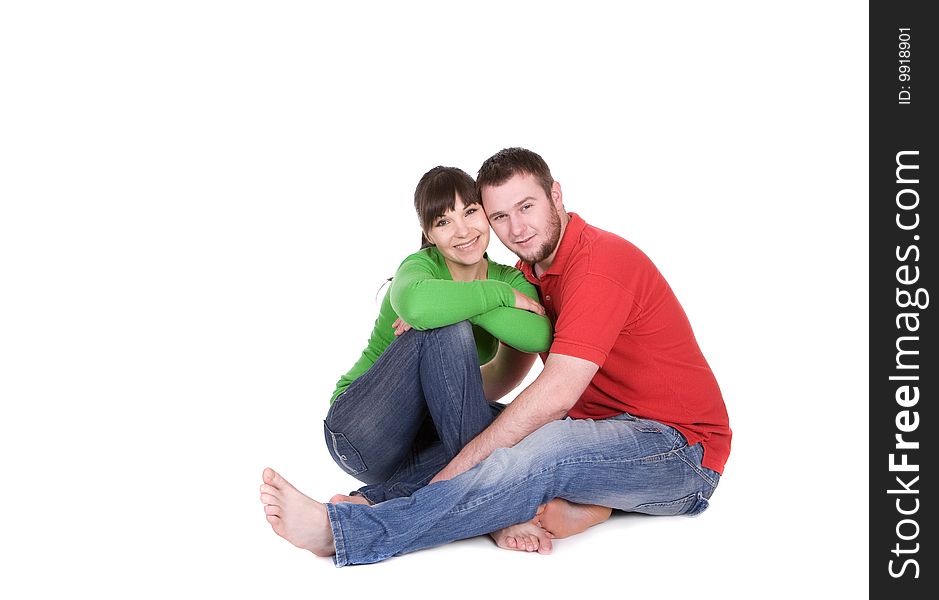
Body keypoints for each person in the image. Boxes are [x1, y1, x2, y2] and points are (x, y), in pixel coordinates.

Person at [259, 148, 732, 565]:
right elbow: (502, 378)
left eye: (526, 206)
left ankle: (344, 531)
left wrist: (462, 467)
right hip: (599, 432)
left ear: (557, 196)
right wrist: (436, 371)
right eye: (501, 216)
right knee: (505, 437)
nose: (517, 228)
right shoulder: (530, 272)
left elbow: (554, 395)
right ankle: (583, 502)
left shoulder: (599, 265)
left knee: (538, 448)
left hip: (680, 451)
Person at [319, 165, 551, 507]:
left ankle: (372, 503)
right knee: (445, 327)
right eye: (443, 222)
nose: (462, 231)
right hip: (361, 429)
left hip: (425, 443)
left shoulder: (507, 278)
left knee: (532, 426)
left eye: (470, 212)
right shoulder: (419, 268)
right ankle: (487, 504)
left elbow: (541, 335)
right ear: (429, 233)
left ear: (486, 214)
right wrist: (490, 298)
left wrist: (462, 301)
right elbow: (415, 304)